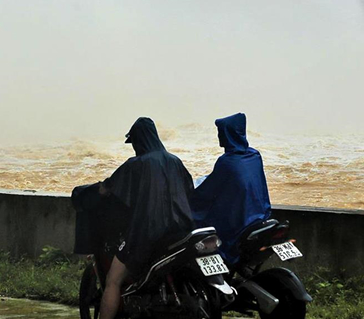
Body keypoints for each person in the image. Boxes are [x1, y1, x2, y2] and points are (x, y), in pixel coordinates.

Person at [97, 117, 195, 319]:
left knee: (113, 280)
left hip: (147, 233)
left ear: (139, 141)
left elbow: (109, 189)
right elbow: (190, 190)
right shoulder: (176, 161)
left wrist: (92, 191)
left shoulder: (137, 164)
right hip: (182, 231)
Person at [190, 113, 272, 264]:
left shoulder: (227, 162)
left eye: (221, 132)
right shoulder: (254, 155)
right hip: (259, 214)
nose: (219, 137)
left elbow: (207, 192)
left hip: (237, 221)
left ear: (228, 134)